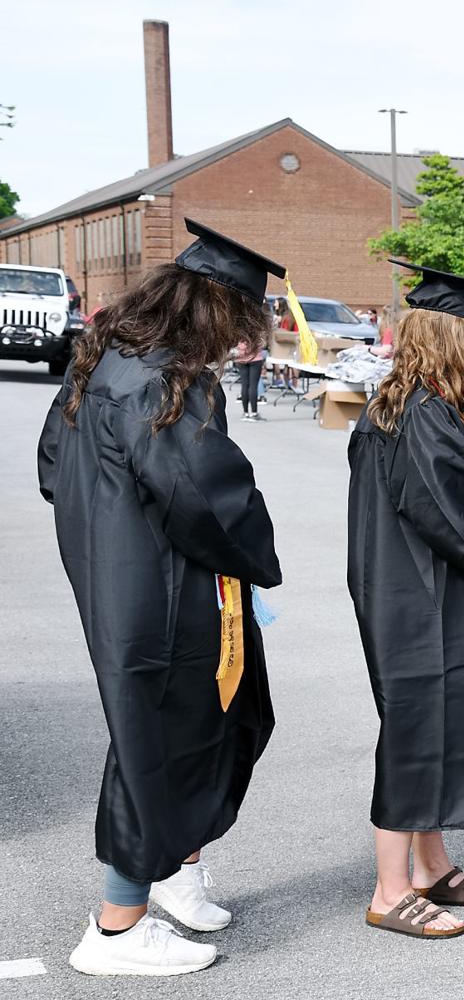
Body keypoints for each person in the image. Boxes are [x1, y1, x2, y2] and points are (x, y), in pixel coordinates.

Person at [38, 218, 284, 976]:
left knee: (211, 723)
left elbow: (52, 466)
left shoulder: (107, 360)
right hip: (167, 592)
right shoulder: (162, 383)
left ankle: (172, 876)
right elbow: (206, 498)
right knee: (164, 740)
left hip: (127, 576)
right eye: (242, 325)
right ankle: (116, 930)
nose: (238, 344)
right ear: (217, 311)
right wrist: (256, 559)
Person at [348, 262, 464, 939]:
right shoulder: (422, 413)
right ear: (453, 336)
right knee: (415, 735)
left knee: (444, 724)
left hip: (415, 590)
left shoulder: (404, 402)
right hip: (414, 598)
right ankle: (391, 889)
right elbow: (450, 512)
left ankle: (430, 866)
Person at [232, 329, 268, 422]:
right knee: (253, 386)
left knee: (244, 385)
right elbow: (262, 343)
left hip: (241, 358)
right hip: (255, 358)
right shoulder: (256, 325)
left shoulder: (238, 326)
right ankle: (254, 413)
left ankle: (245, 413)